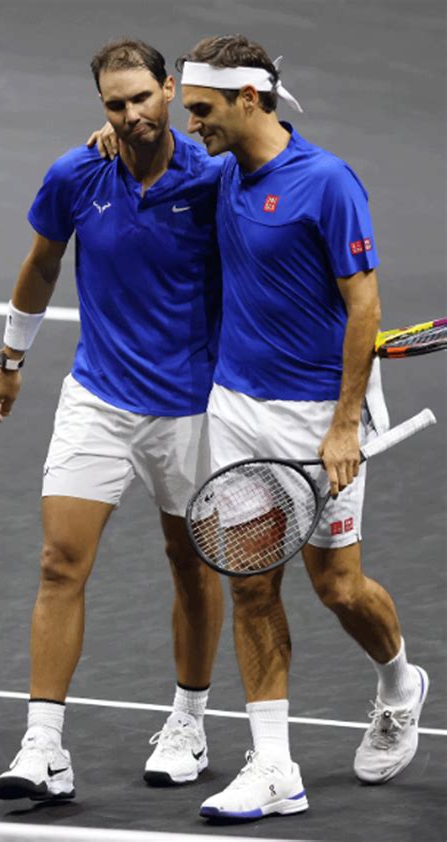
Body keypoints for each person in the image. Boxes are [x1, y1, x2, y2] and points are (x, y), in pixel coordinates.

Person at [174, 34, 429, 821]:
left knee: (337, 587)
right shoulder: (221, 170)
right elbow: (152, 156)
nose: (191, 125)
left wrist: (345, 424)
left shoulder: (328, 183)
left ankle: (399, 684)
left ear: (249, 98)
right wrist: (114, 135)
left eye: (202, 110)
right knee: (251, 585)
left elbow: (365, 307)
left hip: (321, 417)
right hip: (237, 410)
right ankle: (275, 768)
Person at [0, 38, 225, 801]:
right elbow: (43, 262)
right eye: (115, 105)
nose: (130, 116)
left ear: (169, 89)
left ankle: (189, 722)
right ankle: (43, 746)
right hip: (99, 398)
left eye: (142, 99)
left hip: (192, 408)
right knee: (60, 563)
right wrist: (11, 359)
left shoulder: (215, 176)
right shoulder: (77, 173)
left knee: (191, 563)